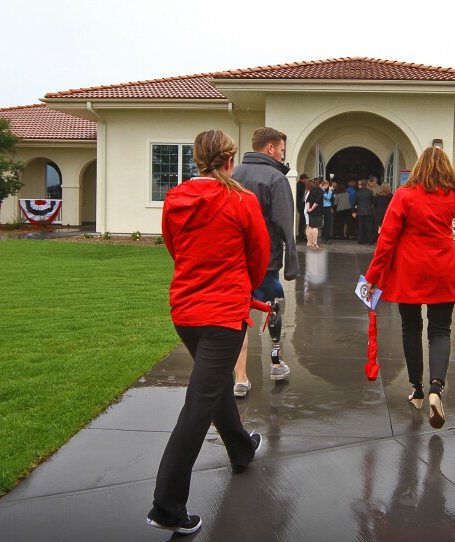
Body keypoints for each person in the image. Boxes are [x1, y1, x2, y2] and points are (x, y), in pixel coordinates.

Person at [147, 129, 269, 535]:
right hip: (221, 315)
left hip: (186, 311)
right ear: (229, 160)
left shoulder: (175, 198)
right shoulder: (241, 200)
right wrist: (242, 286)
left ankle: (240, 449)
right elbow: (259, 255)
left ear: (198, 160)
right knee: (199, 404)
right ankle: (167, 506)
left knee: (210, 388)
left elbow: (173, 246)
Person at [363, 146, 455, 429]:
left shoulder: (404, 196)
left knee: (411, 328)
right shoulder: (452, 196)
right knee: (440, 330)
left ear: (418, 167)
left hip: (410, 271)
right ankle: (436, 387)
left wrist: (372, 276)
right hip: (444, 269)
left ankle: (417, 390)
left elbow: (387, 239)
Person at [230, 127, 299, 396]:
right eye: (282, 149)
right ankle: (275, 361)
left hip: (233, 260)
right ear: (270, 148)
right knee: (273, 307)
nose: (283, 155)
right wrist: (292, 264)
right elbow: (285, 222)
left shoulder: (232, 175)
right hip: (265, 261)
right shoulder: (275, 178)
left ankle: (240, 377)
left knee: (237, 315)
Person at [352, 179, 374, 244]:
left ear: (361, 184)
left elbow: (354, 202)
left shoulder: (357, 192)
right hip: (368, 211)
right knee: (369, 227)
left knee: (360, 226)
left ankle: (361, 240)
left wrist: (353, 211)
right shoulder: (370, 192)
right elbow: (372, 201)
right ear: (367, 184)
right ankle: (370, 240)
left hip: (360, 211)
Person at [305, 178, 325, 248]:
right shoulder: (321, 191)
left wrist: (308, 208)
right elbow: (317, 202)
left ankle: (309, 242)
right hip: (317, 211)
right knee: (315, 228)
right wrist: (311, 209)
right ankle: (315, 243)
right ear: (320, 184)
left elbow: (308, 200)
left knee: (310, 227)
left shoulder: (312, 190)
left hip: (310, 211)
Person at [320, 178, 334, 244]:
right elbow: (328, 197)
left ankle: (325, 236)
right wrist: (330, 191)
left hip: (326, 207)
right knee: (327, 223)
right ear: (325, 184)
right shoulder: (322, 190)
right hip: (326, 207)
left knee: (327, 223)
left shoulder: (323, 190)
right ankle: (325, 237)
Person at [296, 173, 308, 242]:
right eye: (306, 179)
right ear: (304, 179)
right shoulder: (303, 185)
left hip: (299, 204)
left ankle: (301, 235)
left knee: (302, 219)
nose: (306, 180)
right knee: (302, 220)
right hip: (302, 204)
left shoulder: (298, 184)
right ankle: (301, 236)